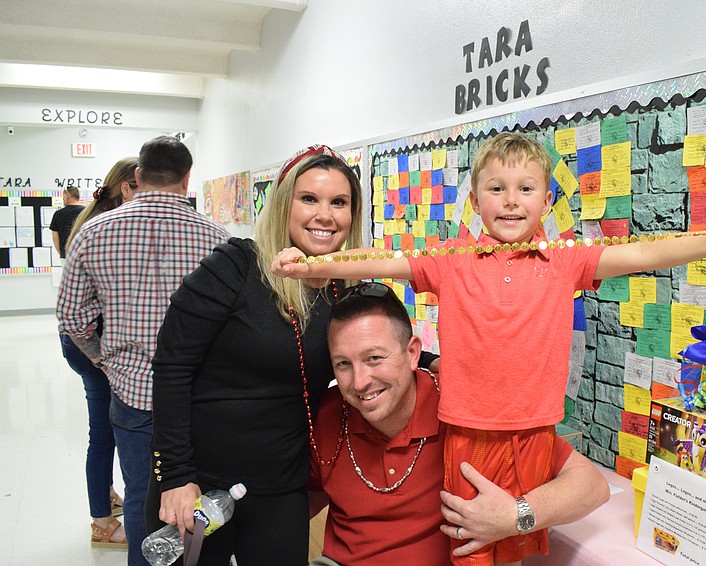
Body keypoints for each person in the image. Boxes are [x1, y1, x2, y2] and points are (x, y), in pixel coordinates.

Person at [272, 132, 706, 564]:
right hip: (468, 431)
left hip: (536, 431)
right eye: (496, 189)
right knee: (469, 546)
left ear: (544, 200)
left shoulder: (564, 261)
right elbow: (378, 262)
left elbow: (645, 252)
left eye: (525, 189)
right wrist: (311, 265)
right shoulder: (451, 260)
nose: (511, 201)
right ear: (476, 201)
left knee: (512, 552)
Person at [147, 145, 436, 565]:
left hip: (281, 484)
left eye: (339, 202)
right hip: (199, 481)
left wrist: (430, 362)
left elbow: (376, 345)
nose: (325, 214)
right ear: (284, 204)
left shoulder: (341, 285)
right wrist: (175, 475)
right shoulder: (235, 266)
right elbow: (172, 368)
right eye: (309, 199)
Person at [307, 281, 610, 565]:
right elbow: (305, 495)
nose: (360, 382)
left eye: (374, 358)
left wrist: (514, 516)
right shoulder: (330, 413)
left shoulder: (468, 409)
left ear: (413, 353)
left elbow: (592, 486)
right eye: (343, 364)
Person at [57, 137, 229, 566]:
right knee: (197, 492)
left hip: (131, 390)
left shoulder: (93, 232)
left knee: (139, 495)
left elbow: (71, 317)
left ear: (137, 177)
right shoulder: (217, 238)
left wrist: (103, 358)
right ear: (187, 178)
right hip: (195, 396)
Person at [58, 156, 139, 549]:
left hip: (85, 341)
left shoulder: (93, 221)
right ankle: (102, 522)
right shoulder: (104, 228)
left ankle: (104, 495)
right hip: (90, 344)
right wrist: (101, 357)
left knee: (103, 426)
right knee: (106, 431)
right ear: (127, 188)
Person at [49, 186, 85, 258]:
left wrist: (62, 254)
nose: (62, 199)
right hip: (83, 254)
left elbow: (55, 237)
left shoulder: (58, 214)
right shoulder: (86, 212)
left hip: (66, 255)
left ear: (68, 196)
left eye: (63, 196)